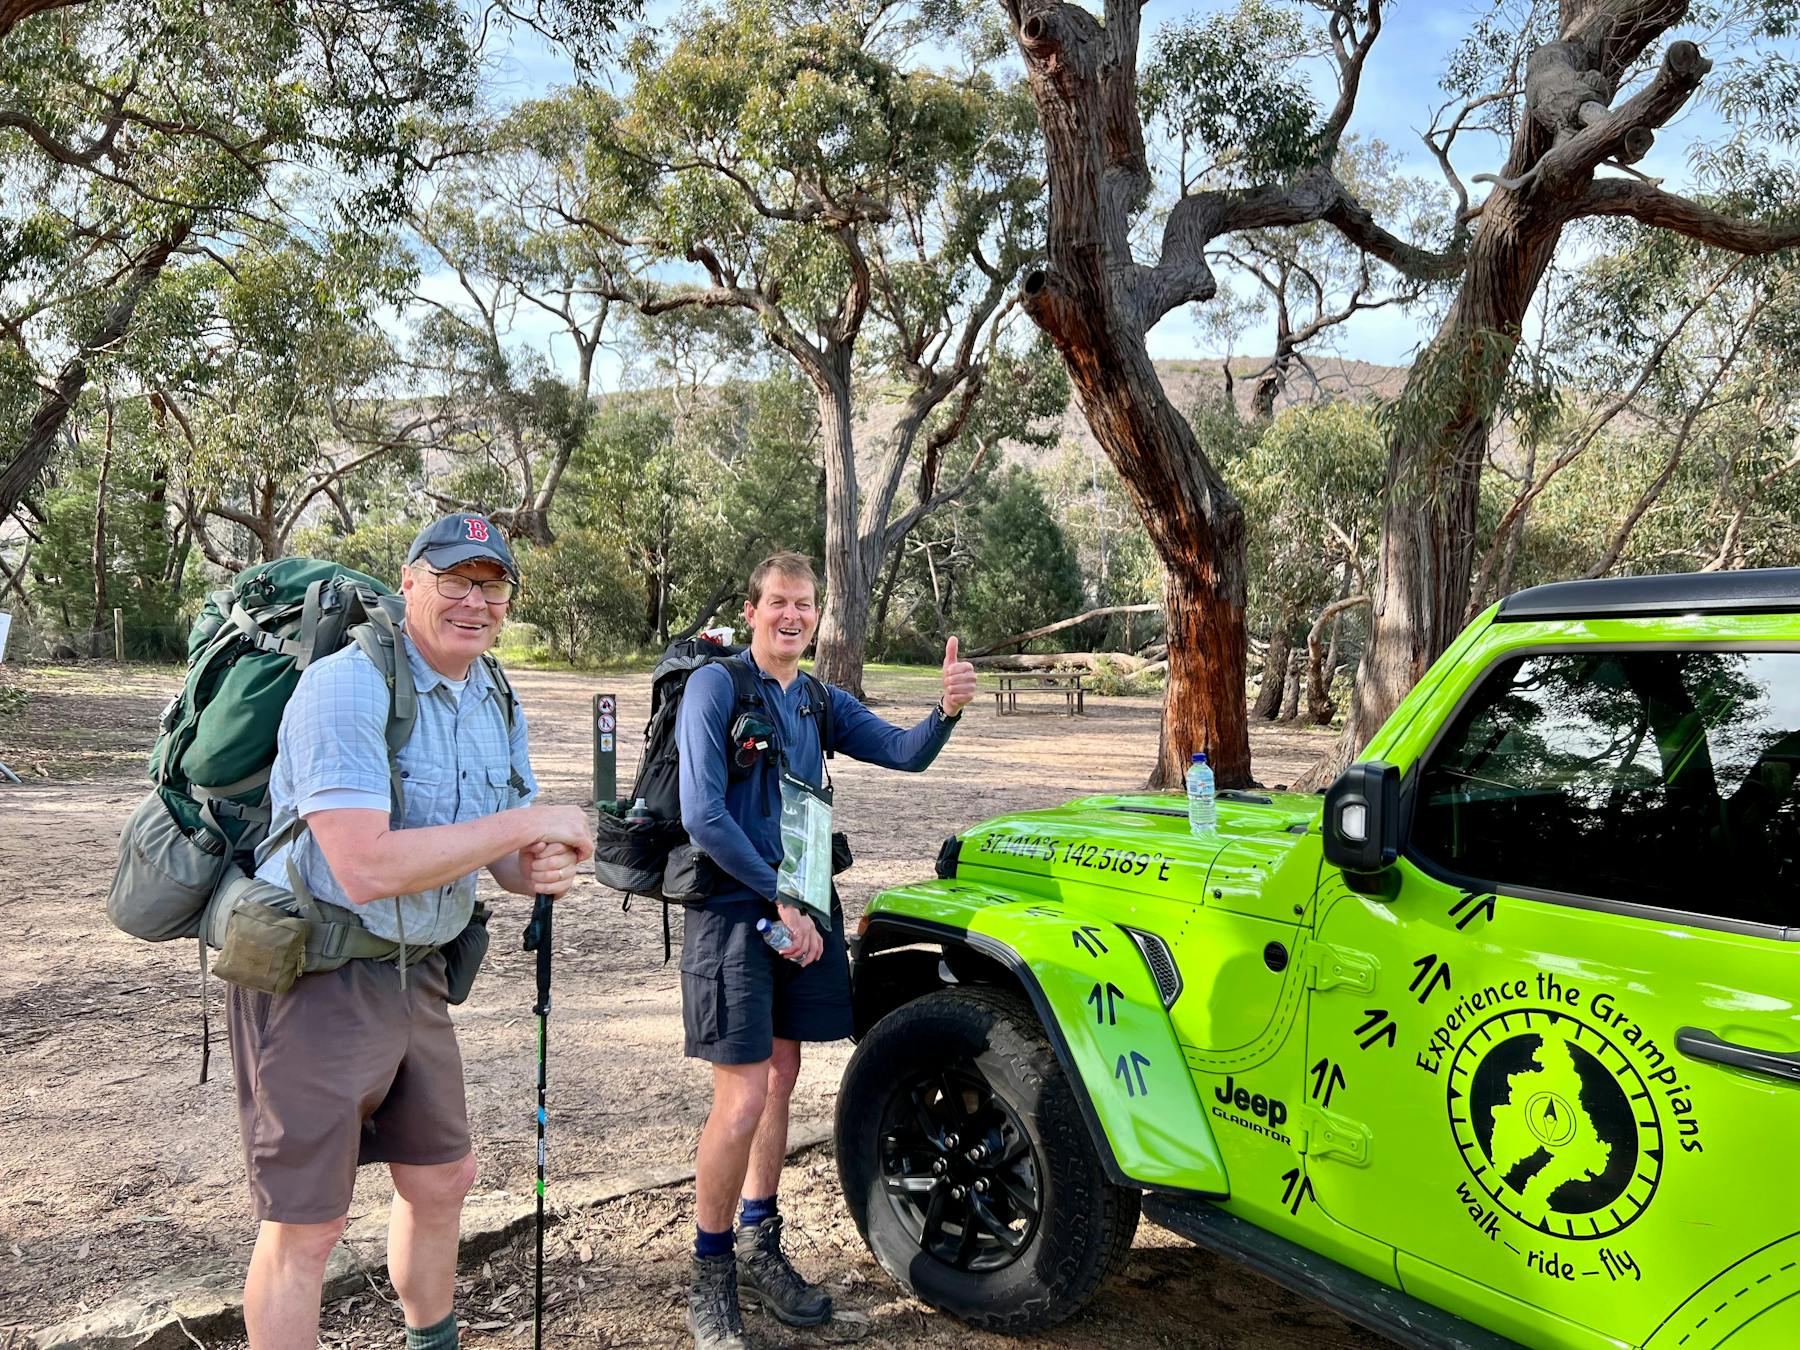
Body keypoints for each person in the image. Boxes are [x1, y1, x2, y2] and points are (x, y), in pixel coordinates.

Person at [230, 513, 594, 1350]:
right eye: (454, 580)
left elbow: (502, 858)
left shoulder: (494, 694)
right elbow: (365, 866)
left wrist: (539, 864)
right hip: (316, 974)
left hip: (419, 971)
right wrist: (526, 826)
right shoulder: (347, 687)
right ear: (408, 584)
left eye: (492, 585)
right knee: (307, 1227)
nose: (475, 601)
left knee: (442, 1180)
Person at [675, 550, 977, 1349]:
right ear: (751, 611)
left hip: (801, 913)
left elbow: (906, 752)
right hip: (735, 915)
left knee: (781, 1077)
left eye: (804, 604)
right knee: (742, 1097)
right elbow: (703, 815)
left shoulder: (816, 700)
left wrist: (945, 710)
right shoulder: (716, 687)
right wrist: (780, 894)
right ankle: (710, 1273)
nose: (792, 615)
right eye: (778, 601)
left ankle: (758, 1243)